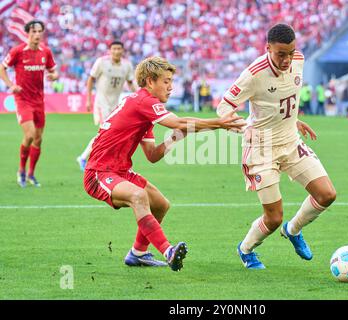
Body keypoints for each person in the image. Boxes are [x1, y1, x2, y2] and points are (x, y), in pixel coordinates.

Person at [83, 57, 245, 271]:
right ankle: (168, 251)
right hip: (99, 172)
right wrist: (218, 124)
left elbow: (152, 155)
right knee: (138, 196)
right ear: (150, 82)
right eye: (166, 81)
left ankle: (138, 253)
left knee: (160, 204)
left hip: (120, 170)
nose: (171, 87)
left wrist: (176, 137)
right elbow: (177, 122)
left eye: (171, 81)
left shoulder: (143, 111)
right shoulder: (144, 102)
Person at [216, 24, 336, 269]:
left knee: (326, 195)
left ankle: (293, 230)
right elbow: (223, 108)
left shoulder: (299, 60)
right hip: (261, 149)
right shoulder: (253, 74)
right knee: (273, 217)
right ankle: (246, 249)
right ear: (267, 48)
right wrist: (244, 127)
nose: (287, 59)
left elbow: (281, 101)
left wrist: (295, 120)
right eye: (281, 54)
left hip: (291, 142)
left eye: (291, 52)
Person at [0, 20, 59, 187]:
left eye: (40, 31)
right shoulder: (17, 51)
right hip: (22, 100)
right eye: (34, 31)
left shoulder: (45, 52)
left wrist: (54, 76)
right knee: (30, 135)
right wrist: (11, 85)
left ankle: (31, 173)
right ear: (28, 33)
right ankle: (21, 170)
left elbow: (53, 71)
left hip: (39, 101)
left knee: (38, 139)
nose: (37, 34)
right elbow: (2, 68)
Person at [76, 41, 136, 171]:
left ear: (122, 50)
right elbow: (91, 79)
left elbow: (131, 82)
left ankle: (85, 157)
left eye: (119, 49)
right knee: (106, 132)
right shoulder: (101, 62)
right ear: (109, 50)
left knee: (111, 133)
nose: (116, 51)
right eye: (114, 49)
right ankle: (100, 160)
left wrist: (139, 95)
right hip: (101, 103)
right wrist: (88, 100)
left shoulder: (126, 65)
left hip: (115, 104)